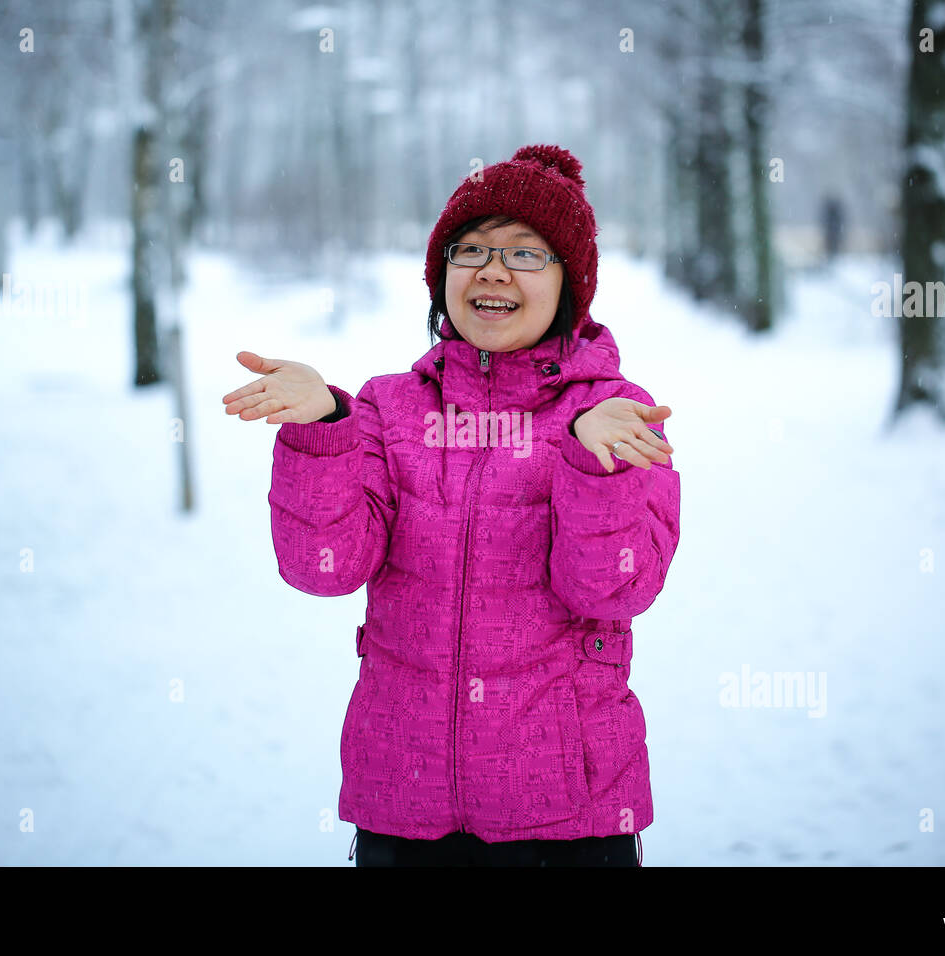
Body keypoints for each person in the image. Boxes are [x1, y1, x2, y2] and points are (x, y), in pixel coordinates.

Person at [223, 144, 681, 867]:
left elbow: (615, 587)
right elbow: (324, 569)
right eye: (471, 249)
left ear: (570, 283)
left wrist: (598, 464)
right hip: (402, 806)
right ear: (442, 277)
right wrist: (323, 432)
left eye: (526, 254)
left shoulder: (616, 416)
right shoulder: (385, 407)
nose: (493, 270)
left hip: (569, 817)